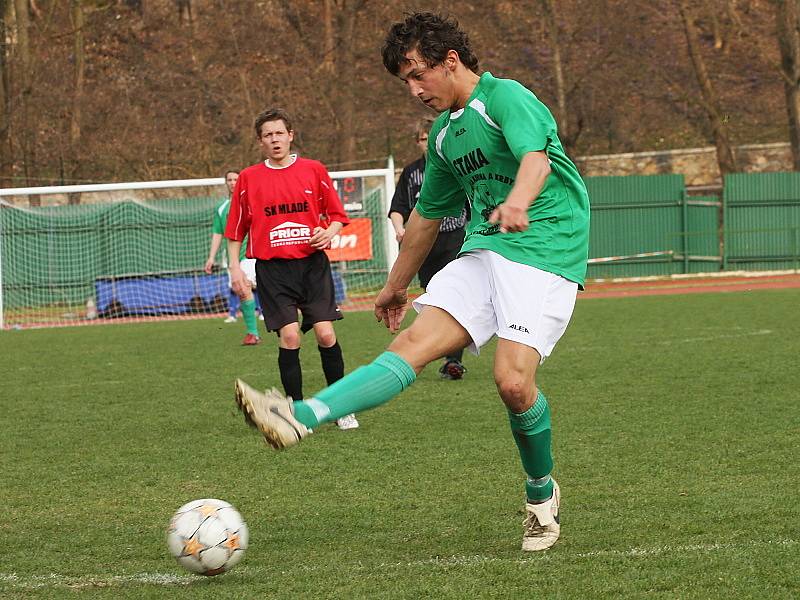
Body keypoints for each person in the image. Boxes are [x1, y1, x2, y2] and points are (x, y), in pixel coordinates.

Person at [233, 12, 589, 552]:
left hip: (546, 247)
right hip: (487, 249)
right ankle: (300, 415)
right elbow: (424, 219)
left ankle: (541, 495)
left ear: (451, 61)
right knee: (409, 347)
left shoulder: (505, 98)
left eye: (418, 74)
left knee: (513, 384)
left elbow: (535, 160)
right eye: (406, 81)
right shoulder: (445, 135)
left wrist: (517, 202)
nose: (414, 89)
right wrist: (394, 286)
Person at [226, 108, 359, 431]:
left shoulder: (314, 170)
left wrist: (329, 231)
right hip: (273, 269)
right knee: (289, 337)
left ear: (291, 135)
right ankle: (297, 413)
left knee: (327, 334)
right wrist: (234, 269)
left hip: (312, 266)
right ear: (261, 141)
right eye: (268, 135)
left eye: (279, 133)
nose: (275, 140)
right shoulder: (248, 178)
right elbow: (235, 229)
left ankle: (339, 407)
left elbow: (338, 216)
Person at [388, 116, 468, 380]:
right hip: (424, 245)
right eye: (423, 138)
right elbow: (398, 207)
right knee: (434, 299)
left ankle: (453, 361)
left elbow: (472, 205)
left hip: (453, 238)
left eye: (430, 136)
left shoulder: (456, 165)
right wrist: (400, 228)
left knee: (454, 299)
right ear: (418, 141)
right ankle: (432, 348)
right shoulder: (412, 173)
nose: (427, 142)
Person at [204, 169, 261, 345]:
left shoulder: (253, 202)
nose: (232, 182)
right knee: (243, 290)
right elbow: (217, 233)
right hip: (235, 257)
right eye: (229, 179)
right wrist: (211, 257)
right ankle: (253, 332)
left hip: (254, 253)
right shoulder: (222, 208)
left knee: (260, 289)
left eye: (236, 179)